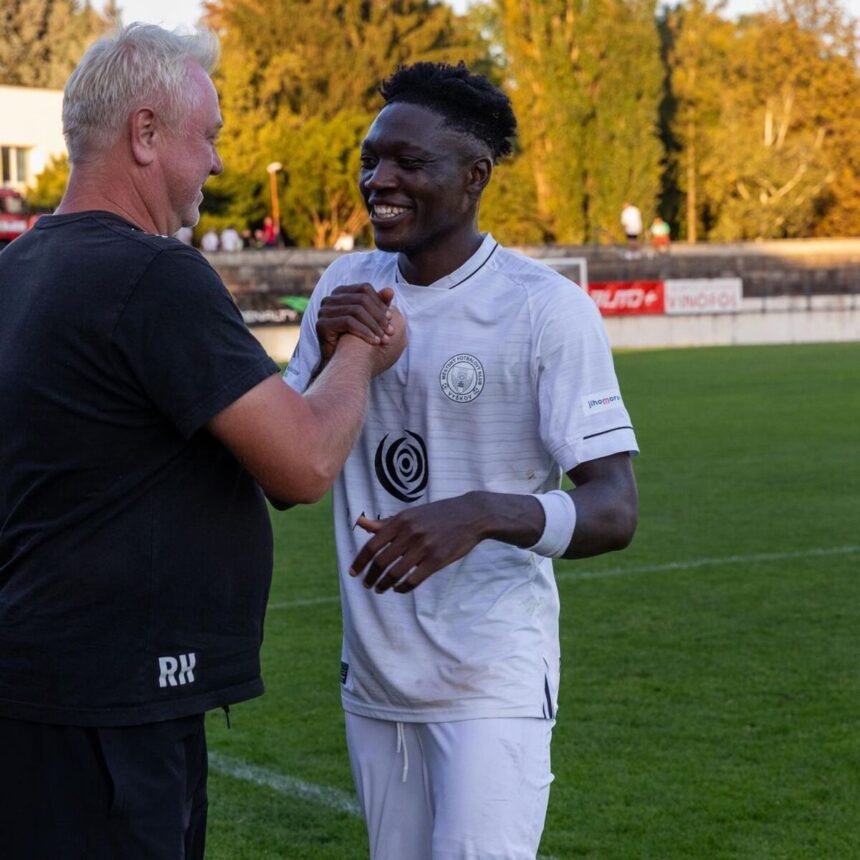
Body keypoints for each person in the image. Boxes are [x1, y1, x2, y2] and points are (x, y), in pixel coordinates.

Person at [0, 23, 405, 860]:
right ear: (144, 135)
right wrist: (362, 349)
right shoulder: (152, 274)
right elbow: (302, 463)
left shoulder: (22, 267)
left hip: (41, 689)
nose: (218, 164)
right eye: (209, 136)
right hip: (113, 710)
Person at [285, 62, 639, 860]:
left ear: (475, 176)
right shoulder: (346, 286)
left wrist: (480, 514)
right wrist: (314, 361)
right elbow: (285, 470)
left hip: (492, 679)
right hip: (375, 681)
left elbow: (615, 508)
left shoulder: (545, 308)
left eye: (409, 163)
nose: (381, 180)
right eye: (371, 159)